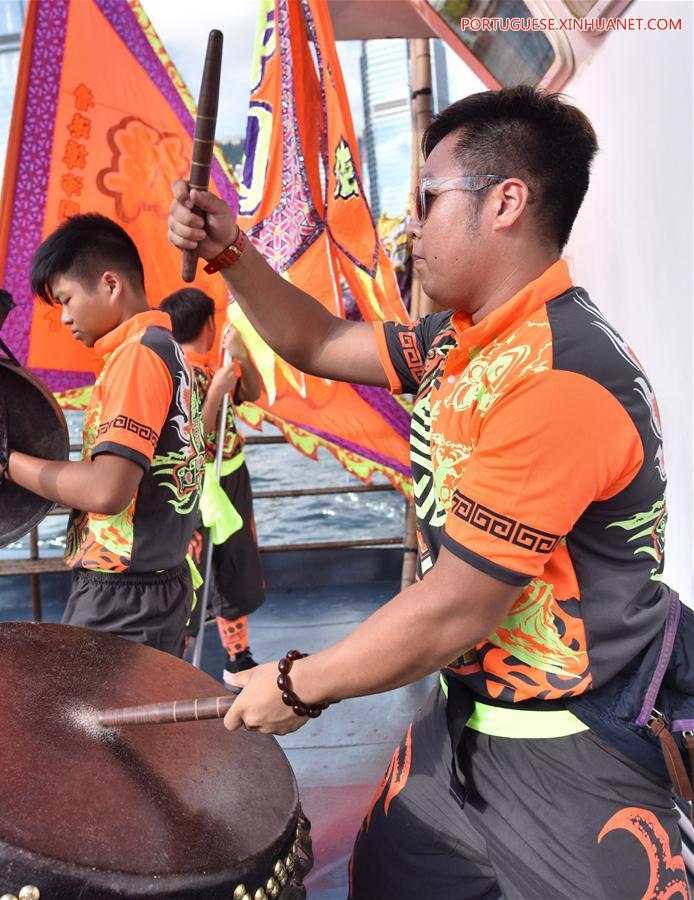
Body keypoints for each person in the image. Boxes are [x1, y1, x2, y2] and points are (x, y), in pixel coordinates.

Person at [167, 86, 689, 899]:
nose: (410, 224)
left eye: (427, 199)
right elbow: (319, 338)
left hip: (572, 754)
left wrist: (300, 685)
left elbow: (456, 605)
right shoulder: (460, 340)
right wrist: (233, 250)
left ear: (506, 202)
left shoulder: (562, 376)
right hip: (456, 728)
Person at [0, 213, 205, 657]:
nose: (63, 318)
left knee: (87, 724)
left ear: (110, 285)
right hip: (143, 585)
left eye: (65, 299)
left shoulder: (138, 358)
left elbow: (106, 491)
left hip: (127, 596)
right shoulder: (163, 349)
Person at [159, 287, 266, 687]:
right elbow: (192, 442)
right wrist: (217, 393)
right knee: (192, 574)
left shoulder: (211, 368)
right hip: (195, 487)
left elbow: (251, 392)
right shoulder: (174, 377)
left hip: (232, 477)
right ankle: (178, 664)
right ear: (207, 324)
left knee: (234, 567)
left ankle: (238, 658)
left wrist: (239, 355)